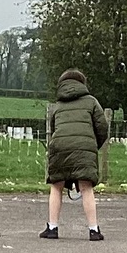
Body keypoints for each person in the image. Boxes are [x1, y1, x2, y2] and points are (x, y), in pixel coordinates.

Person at [41, 68, 108, 241]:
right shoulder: (91, 102)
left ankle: (52, 228)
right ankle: (93, 230)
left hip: (59, 147)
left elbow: (54, 129)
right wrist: (92, 146)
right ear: (82, 83)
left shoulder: (58, 105)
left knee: (56, 186)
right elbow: (102, 127)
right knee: (86, 188)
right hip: (84, 147)